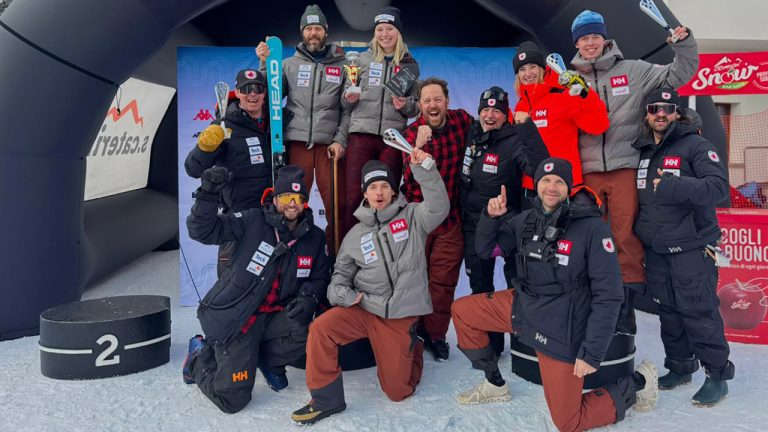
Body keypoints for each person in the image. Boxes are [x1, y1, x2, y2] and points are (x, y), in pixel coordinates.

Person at [452, 158, 658, 432]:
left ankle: (640, 382)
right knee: (463, 311)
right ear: (537, 185)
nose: (551, 187)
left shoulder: (592, 228)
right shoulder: (525, 219)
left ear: (569, 187)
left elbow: (609, 295)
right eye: (546, 180)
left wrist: (592, 353)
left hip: (563, 323)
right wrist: (490, 218)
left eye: (559, 181)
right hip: (524, 305)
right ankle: (493, 381)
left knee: (568, 422)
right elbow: (487, 251)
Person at [291, 150, 449, 425]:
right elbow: (338, 278)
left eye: (384, 186)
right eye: (373, 187)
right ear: (365, 193)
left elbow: (439, 207)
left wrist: (423, 168)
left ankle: (415, 348)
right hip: (365, 308)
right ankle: (326, 399)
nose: (379, 193)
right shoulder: (355, 235)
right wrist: (345, 295)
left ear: (392, 190)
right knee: (321, 328)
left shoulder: (413, 216)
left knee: (397, 392)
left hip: (399, 314)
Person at [569, 9, 699, 332]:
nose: (589, 43)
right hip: (585, 172)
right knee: (588, 239)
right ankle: (592, 308)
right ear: (576, 43)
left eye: (594, 36)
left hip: (625, 165)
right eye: (583, 38)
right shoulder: (568, 80)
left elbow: (679, 75)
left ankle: (623, 312)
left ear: (604, 38)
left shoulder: (633, 71)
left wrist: (684, 45)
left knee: (624, 236)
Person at [182, 165, 330, 414]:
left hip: (277, 316)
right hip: (240, 319)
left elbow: (319, 277)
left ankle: (268, 361)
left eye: (299, 198)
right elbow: (202, 230)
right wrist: (208, 193)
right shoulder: (252, 220)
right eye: (286, 197)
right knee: (232, 400)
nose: (293, 204)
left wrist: (308, 296)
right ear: (275, 199)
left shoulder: (314, 236)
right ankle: (198, 356)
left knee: (317, 331)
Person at [632, 88, 735, 406]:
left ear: (677, 112)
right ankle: (680, 367)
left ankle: (718, 376)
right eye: (654, 108)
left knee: (699, 311)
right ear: (647, 114)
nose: (660, 113)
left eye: (667, 108)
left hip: (692, 248)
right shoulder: (644, 151)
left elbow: (718, 187)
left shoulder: (697, 145)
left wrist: (676, 185)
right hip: (658, 249)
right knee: (670, 312)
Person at [460, 86, 549, 355]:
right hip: (473, 223)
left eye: (496, 111)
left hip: (507, 224)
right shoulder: (471, 135)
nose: (490, 115)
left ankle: (523, 346)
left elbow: (539, 167)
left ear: (506, 115)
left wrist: (527, 128)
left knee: (515, 282)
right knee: (480, 285)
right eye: (485, 110)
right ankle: (489, 346)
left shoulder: (514, 141)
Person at [256, 4, 349, 249]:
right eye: (309, 28)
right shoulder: (288, 64)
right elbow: (271, 95)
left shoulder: (342, 65)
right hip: (298, 143)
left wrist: (340, 139)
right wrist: (265, 64)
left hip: (328, 144)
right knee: (292, 201)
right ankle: (293, 252)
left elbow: (347, 108)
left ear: (326, 31)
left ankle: (337, 257)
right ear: (301, 32)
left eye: (318, 28)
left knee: (336, 205)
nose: (313, 33)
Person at [402, 77, 472, 361]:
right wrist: (418, 149)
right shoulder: (410, 134)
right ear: (419, 105)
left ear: (447, 102)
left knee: (443, 282)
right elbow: (407, 180)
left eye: (437, 99)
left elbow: (489, 129)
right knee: (414, 279)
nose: (432, 105)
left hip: (451, 219)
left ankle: (435, 334)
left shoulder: (462, 121)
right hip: (419, 220)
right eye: (427, 100)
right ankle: (408, 332)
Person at [342, 6, 420, 236]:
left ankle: (387, 246)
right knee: (354, 194)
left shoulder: (409, 65)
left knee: (388, 194)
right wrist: (349, 97)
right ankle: (351, 247)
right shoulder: (361, 60)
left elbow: (416, 106)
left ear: (398, 32)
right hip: (361, 134)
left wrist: (404, 105)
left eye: (390, 29)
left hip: (392, 137)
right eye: (380, 29)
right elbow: (345, 102)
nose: (385, 34)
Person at [184, 69, 271, 274]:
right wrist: (204, 148)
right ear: (237, 93)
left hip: (273, 214)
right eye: (246, 89)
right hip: (240, 215)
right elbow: (193, 169)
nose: (252, 94)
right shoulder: (225, 126)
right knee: (233, 275)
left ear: (265, 93)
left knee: (272, 278)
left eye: (258, 88)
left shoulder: (277, 123)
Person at [511, 41, 609, 191]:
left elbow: (598, 126)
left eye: (533, 67)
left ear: (542, 69)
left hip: (562, 184)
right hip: (531, 186)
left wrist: (585, 93)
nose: (528, 73)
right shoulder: (520, 105)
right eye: (522, 69)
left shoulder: (562, 96)